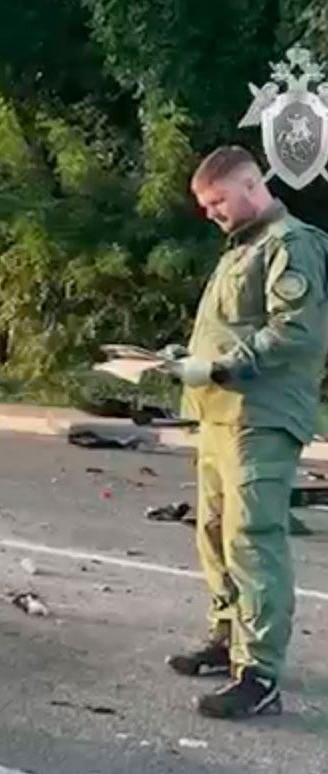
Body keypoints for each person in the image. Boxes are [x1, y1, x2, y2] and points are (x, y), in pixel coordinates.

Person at [162, 145, 328, 719]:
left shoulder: (290, 245)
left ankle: (260, 674)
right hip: (220, 416)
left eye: (217, 201)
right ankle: (227, 638)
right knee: (212, 531)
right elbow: (230, 329)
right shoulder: (242, 249)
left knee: (252, 539)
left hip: (262, 417)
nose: (210, 213)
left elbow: (296, 334)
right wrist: (184, 361)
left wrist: (220, 366)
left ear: (251, 186)